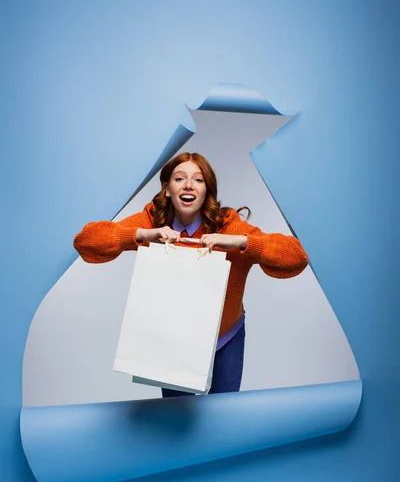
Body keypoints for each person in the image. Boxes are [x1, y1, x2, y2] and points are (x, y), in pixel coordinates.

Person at [73, 152, 308, 398]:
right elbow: (86, 241)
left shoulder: (229, 224)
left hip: (224, 336)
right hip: (173, 340)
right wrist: (142, 235)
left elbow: (297, 256)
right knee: (177, 422)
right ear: (166, 189)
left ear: (207, 190)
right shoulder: (152, 221)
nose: (188, 185)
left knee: (224, 416)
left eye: (198, 180)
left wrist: (241, 241)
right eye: (179, 178)